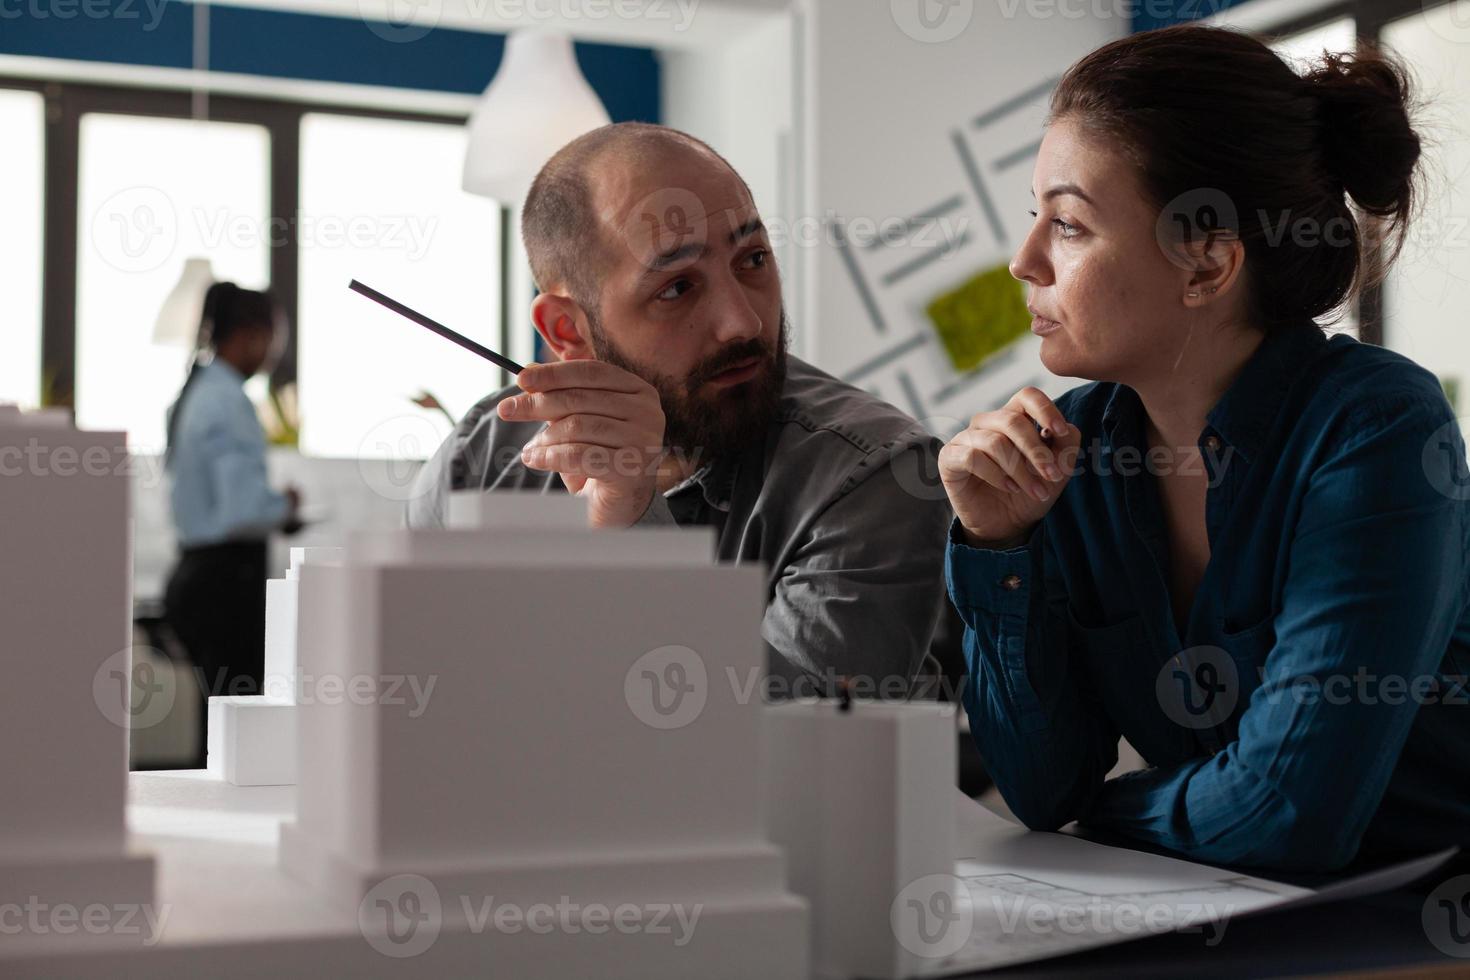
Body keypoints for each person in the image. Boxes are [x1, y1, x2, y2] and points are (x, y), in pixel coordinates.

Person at [941, 25, 1470, 872]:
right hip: (1236, 919)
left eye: (1069, 226)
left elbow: (1286, 817)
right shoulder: (1071, 448)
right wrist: (1001, 546)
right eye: (1034, 217)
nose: (1024, 261)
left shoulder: (1376, 430)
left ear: (1207, 265)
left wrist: (1105, 812)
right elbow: (1041, 792)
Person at [408, 123, 953, 697]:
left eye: (753, 259)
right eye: (677, 288)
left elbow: (804, 758)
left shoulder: (872, 476)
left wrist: (632, 525)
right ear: (570, 330)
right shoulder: (484, 459)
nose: (743, 322)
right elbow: (413, 684)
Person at [164, 281, 302, 765]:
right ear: (251, 336)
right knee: (236, 731)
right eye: (275, 338)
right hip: (225, 583)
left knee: (219, 724)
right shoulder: (229, 400)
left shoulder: (198, 391)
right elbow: (241, 510)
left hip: (198, 575)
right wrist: (282, 507)